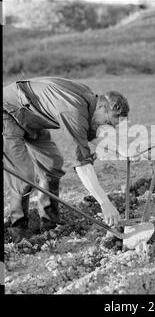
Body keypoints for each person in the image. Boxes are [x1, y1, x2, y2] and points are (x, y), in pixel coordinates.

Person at [3, 76, 130, 243]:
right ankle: (18, 228)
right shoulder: (74, 110)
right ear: (102, 107)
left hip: (32, 118)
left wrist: (121, 150)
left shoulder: (89, 101)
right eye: (107, 122)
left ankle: (50, 222)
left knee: (53, 166)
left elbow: (89, 134)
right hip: (8, 112)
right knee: (24, 176)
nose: (105, 127)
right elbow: (81, 163)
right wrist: (104, 203)